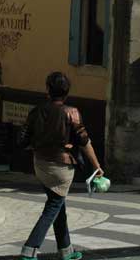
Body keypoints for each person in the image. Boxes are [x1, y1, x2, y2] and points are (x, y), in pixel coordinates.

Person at [18, 72, 101, 260]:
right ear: (67, 91)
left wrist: (40, 145)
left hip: (40, 164)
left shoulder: (36, 111)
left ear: (48, 89)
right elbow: (84, 141)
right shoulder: (72, 112)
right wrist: (97, 166)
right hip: (62, 168)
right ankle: (29, 250)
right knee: (53, 206)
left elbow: (22, 140)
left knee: (58, 205)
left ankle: (66, 251)